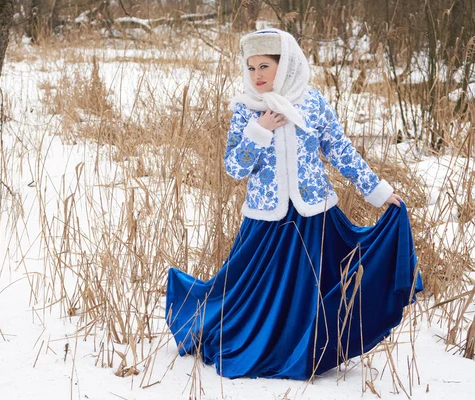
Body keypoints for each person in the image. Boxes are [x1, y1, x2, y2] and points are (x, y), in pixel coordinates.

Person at [165, 28, 423, 380]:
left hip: (314, 218)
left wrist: (378, 191)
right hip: (267, 220)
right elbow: (235, 168)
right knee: (245, 294)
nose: (257, 75)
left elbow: (340, 151)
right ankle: (252, 342)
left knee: (311, 294)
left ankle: (306, 352)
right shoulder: (246, 110)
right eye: (251, 67)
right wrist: (259, 129)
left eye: (265, 66)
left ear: (285, 64)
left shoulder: (312, 102)